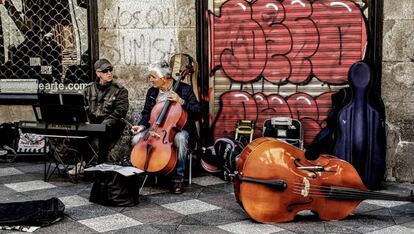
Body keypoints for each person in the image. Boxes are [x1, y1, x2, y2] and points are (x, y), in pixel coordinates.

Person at [131, 60, 200, 194]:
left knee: (180, 138)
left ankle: (177, 178)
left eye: (153, 77)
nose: (151, 80)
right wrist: (141, 125)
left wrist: (181, 101)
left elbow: (197, 111)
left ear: (163, 78)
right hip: (155, 129)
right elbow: (146, 113)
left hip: (179, 129)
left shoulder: (185, 90)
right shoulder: (152, 92)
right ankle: (144, 172)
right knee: (136, 139)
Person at [70, 59, 128, 174]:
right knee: (75, 130)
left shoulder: (119, 90)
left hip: (112, 123)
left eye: (110, 70)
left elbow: (121, 111)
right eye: (105, 71)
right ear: (98, 73)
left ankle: (101, 164)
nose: (109, 73)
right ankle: (83, 161)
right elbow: (81, 107)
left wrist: (105, 123)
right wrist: (84, 120)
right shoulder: (88, 89)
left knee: (105, 132)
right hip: (92, 122)